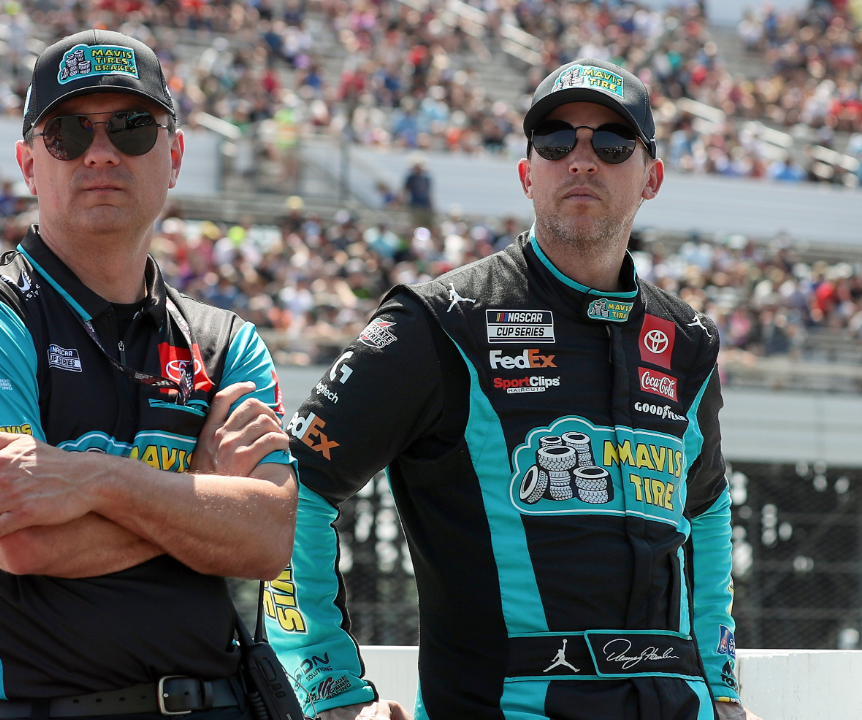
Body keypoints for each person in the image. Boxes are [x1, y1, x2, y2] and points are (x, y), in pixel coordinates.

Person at [266, 59, 761, 720]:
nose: (581, 160)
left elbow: (706, 510)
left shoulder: (688, 341)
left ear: (652, 178)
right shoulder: (440, 321)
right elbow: (291, 486)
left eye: (612, 143)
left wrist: (721, 689)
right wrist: (328, 689)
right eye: (556, 142)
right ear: (528, 172)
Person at [0, 30, 298, 719]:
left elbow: (265, 539)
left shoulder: (227, 342)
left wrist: (90, 480)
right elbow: (24, 537)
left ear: (173, 155)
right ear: (29, 164)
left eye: (132, 127)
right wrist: (199, 499)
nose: (101, 152)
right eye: (68, 134)